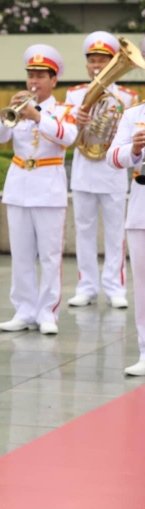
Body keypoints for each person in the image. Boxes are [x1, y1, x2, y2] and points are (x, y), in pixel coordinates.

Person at [0, 45, 77, 336]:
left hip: (48, 186)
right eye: (31, 74)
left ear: (54, 81)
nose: (34, 80)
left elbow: (67, 136)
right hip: (18, 184)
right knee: (21, 253)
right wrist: (13, 112)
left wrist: (37, 115)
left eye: (41, 75)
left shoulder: (64, 110)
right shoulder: (17, 104)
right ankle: (24, 309)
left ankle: (47, 312)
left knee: (50, 255)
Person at [66, 31, 139, 309]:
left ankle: (115, 286)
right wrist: (79, 121)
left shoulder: (128, 97)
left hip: (112, 174)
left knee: (114, 232)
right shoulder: (74, 95)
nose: (96, 65)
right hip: (84, 169)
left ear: (112, 63)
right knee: (83, 231)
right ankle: (86, 286)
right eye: (92, 60)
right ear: (87, 64)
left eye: (103, 61)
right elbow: (66, 139)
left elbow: (132, 137)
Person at [106, 36, 145, 375]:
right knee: (143, 286)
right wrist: (133, 150)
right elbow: (111, 157)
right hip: (141, 210)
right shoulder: (134, 115)